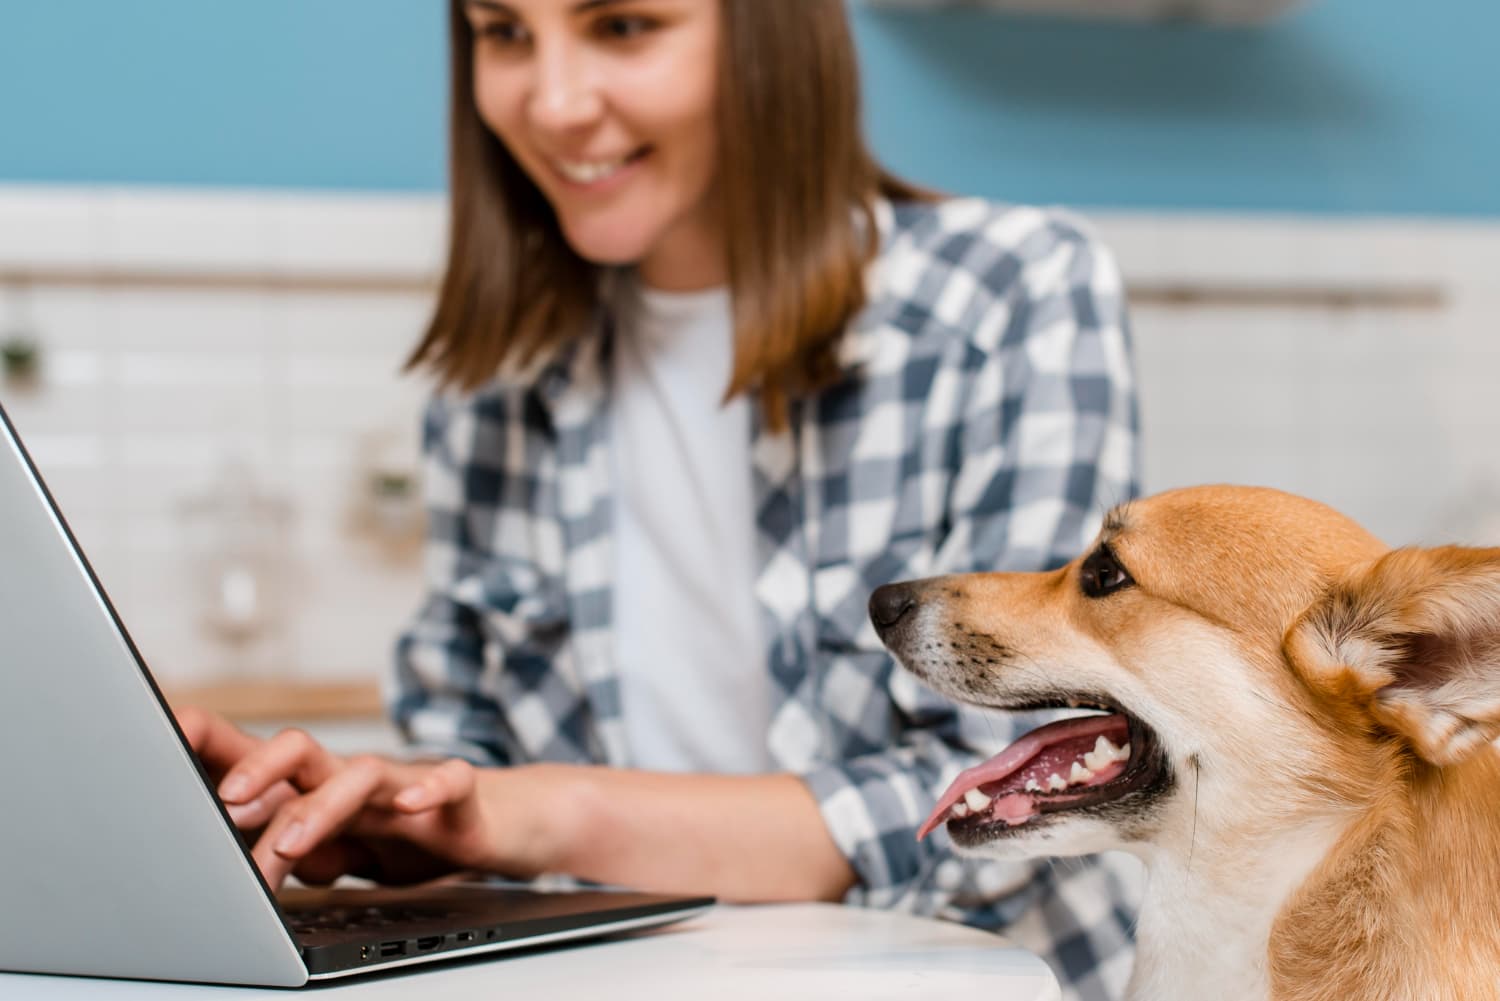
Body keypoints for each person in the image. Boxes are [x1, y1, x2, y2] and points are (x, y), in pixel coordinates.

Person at [176, 1, 1141, 998]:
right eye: (503, 32)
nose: (552, 104)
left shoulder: (1012, 296)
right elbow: (476, 754)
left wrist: (546, 813)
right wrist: (380, 810)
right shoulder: (496, 384)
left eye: (624, 26)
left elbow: (1026, 793)